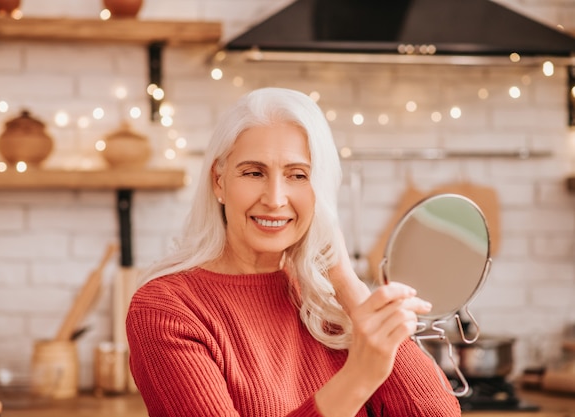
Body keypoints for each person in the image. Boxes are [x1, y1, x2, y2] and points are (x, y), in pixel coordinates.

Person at [126, 87, 461, 417]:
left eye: (298, 175)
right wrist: (358, 378)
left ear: (320, 191)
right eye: (254, 172)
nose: (274, 198)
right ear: (219, 181)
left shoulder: (330, 302)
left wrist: (349, 287)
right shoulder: (167, 309)